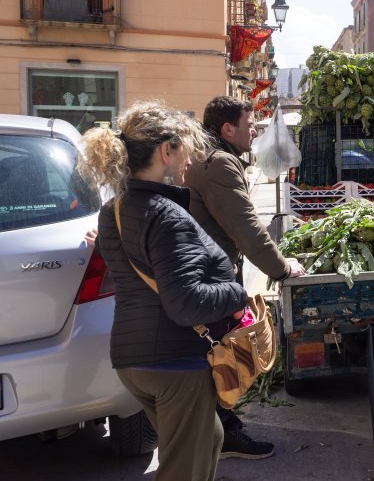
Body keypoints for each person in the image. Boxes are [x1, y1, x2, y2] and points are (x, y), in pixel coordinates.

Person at [82, 101, 248, 481]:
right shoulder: (166, 214)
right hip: (175, 364)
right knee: (183, 470)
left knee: (209, 437)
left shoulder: (115, 210)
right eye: (185, 146)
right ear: (165, 151)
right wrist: (237, 295)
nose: (191, 156)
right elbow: (186, 304)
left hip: (133, 361)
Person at [184, 96, 304, 460]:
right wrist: (283, 268)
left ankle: (214, 431)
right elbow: (247, 229)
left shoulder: (203, 156)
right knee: (220, 354)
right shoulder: (218, 163)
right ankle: (226, 437)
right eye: (249, 124)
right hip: (211, 276)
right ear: (227, 129)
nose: (254, 130)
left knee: (208, 355)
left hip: (198, 273)